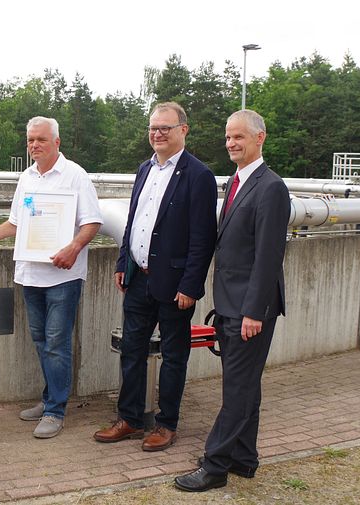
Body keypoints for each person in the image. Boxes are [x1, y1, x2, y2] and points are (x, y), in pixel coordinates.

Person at [175, 109, 290, 491]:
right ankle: (244, 458)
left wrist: (254, 311)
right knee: (245, 385)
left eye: (239, 137)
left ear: (260, 138)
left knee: (237, 388)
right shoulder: (235, 182)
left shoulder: (271, 187)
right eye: (227, 137)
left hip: (249, 309)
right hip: (229, 303)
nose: (230, 143)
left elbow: (269, 256)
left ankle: (215, 466)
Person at [93, 102, 217, 451]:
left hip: (175, 285)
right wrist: (122, 263)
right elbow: (133, 222)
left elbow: (202, 238)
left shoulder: (198, 176)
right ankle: (130, 419)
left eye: (166, 128)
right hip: (139, 279)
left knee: (174, 356)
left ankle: (166, 424)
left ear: (183, 130)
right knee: (131, 351)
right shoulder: (144, 169)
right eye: (153, 128)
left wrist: (191, 285)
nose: (158, 134)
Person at [0, 116, 103, 438]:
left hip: (63, 275)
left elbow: (92, 223)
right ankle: (49, 399)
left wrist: (73, 248)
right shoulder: (26, 177)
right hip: (30, 274)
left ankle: (56, 411)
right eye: (30, 140)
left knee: (57, 344)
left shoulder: (76, 176)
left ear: (57, 142)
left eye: (40, 140)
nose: (34, 145)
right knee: (42, 341)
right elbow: (16, 223)